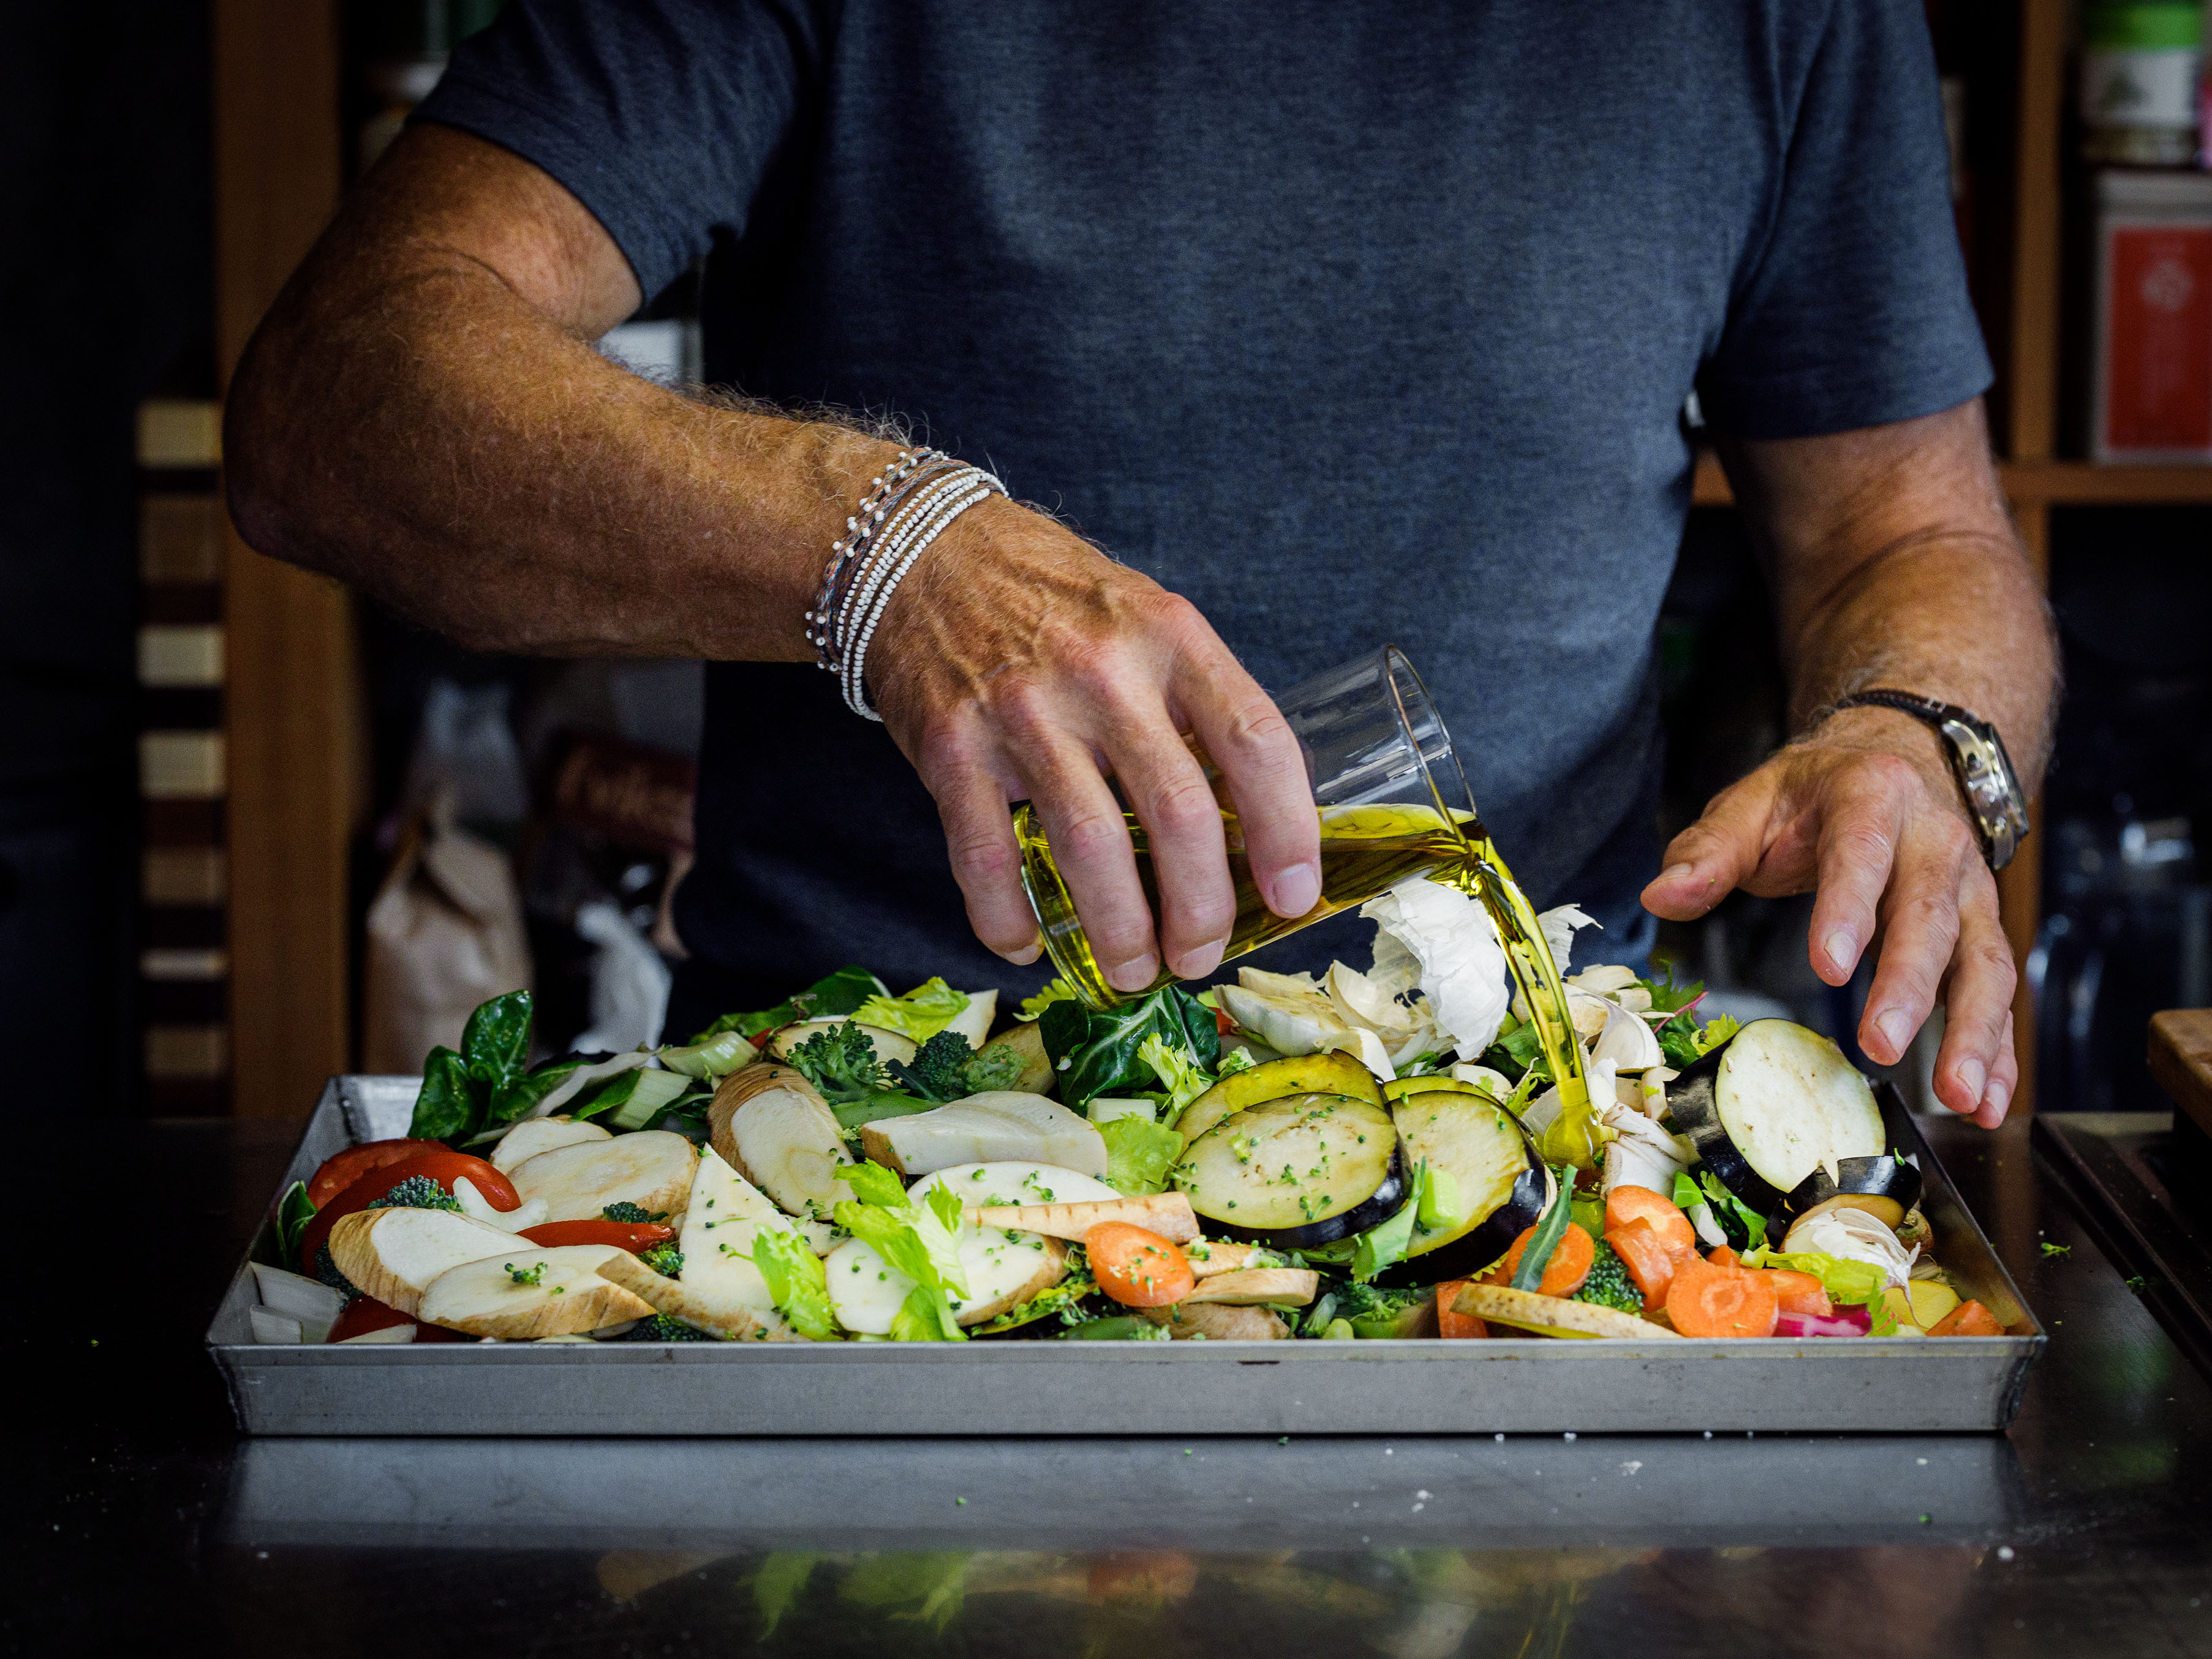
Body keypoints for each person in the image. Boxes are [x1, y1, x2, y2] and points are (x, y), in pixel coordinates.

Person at [225, 1, 2054, 1129]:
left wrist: (1917, 731)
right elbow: (337, 405)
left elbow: (1911, 531)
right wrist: (887, 549)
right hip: (860, 1138)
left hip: (1526, 1147)